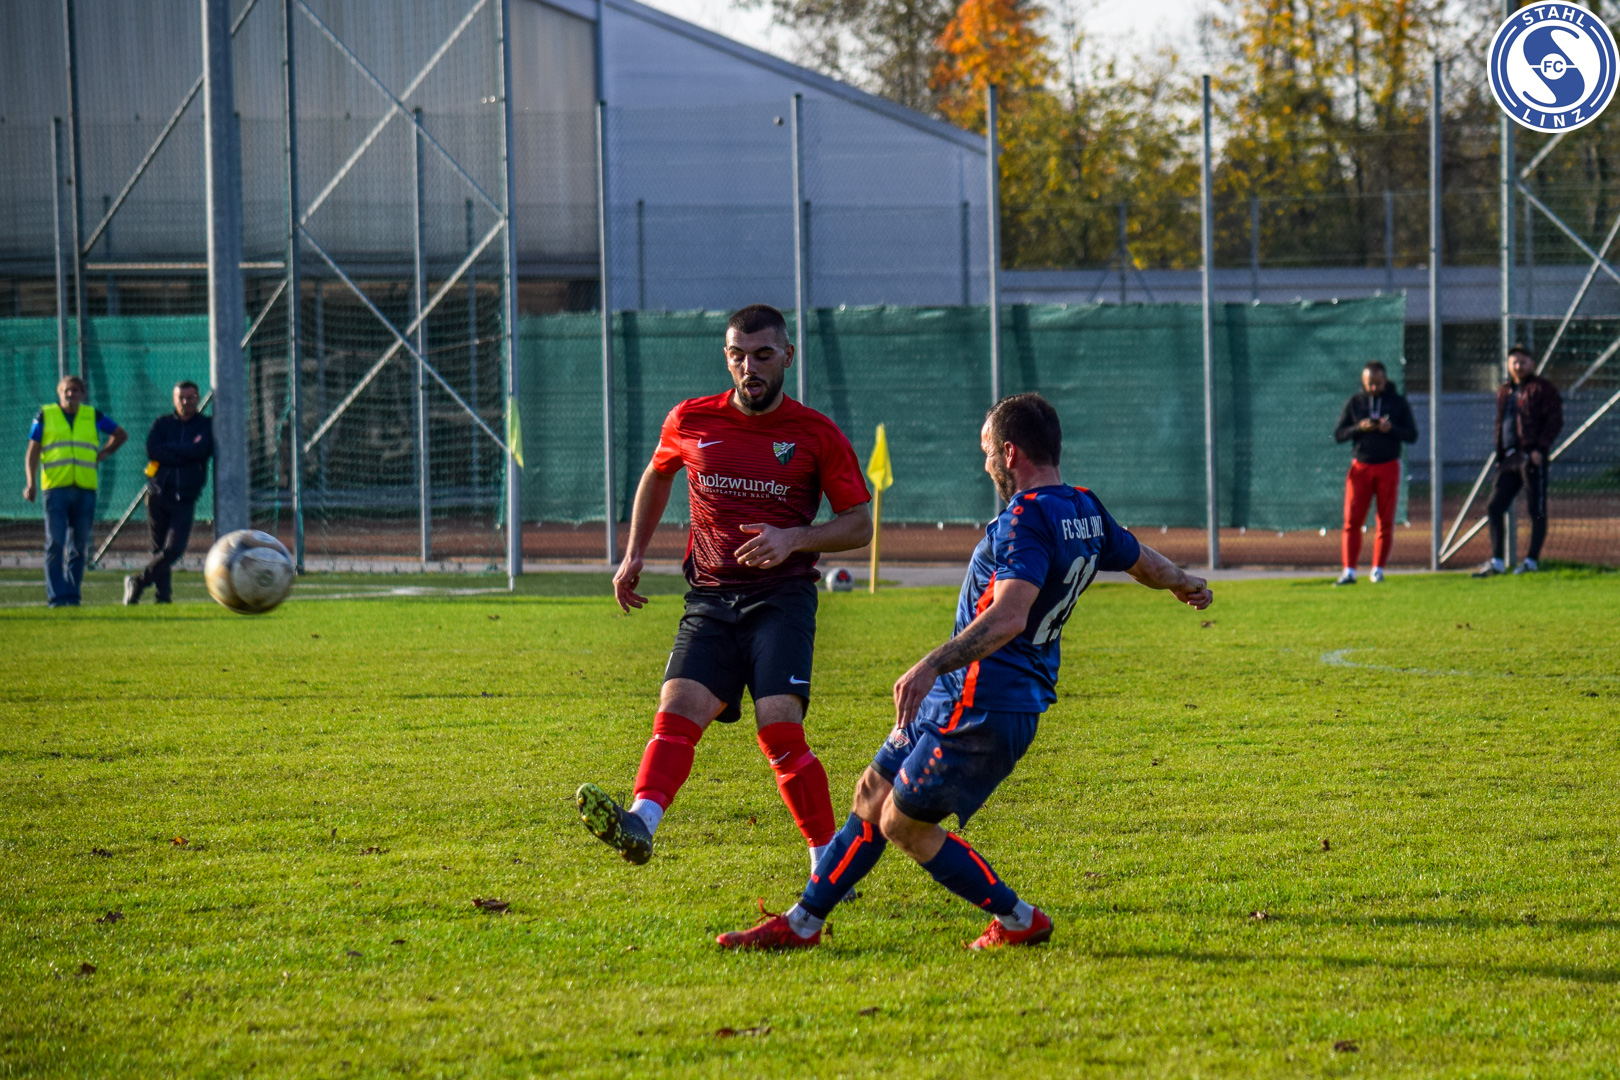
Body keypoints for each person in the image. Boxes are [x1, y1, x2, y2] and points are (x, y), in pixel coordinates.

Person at [715, 393, 1213, 952]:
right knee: (872, 792)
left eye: (986, 452)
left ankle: (1019, 919)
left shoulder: (1025, 518)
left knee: (902, 825)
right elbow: (1142, 560)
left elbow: (1010, 615)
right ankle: (803, 923)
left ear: (1010, 453)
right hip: (960, 695)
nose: (985, 464)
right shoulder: (1084, 508)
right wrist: (1183, 582)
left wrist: (931, 663)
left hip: (985, 703)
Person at [575, 304, 873, 872]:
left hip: (781, 599)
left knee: (779, 727)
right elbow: (658, 472)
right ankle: (641, 822)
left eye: (762, 355)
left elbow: (860, 524)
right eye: (738, 355)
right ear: (727, 358)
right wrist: (634, 552)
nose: (749, 367)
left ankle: (827, 864)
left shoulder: (815, 434)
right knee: (677, 709)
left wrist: (793, 538)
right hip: (710, 598)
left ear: (788, 356)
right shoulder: (691, 419)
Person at [22, 375, 128, 607]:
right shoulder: (45, 415)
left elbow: (120, 434)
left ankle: (72, 595)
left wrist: (103, 454)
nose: (71, 394)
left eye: (75, 390)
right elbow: (33, 450)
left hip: (85, 489)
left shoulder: (92, 415)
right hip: (55, 489)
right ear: (59, 393)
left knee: (79, 545)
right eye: (66, 390)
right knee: (55, 543)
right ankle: (57, 597)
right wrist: (31, 483)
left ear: (82, 393)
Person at [1475, 345, 1563, 577]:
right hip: (1508, 458)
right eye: (1514, 362)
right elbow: (1501, 423)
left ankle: (1531, 561)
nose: (1518, 366)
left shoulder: (1542, 388)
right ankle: (1497, 562)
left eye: (1523, 362)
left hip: (1530, 456)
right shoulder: (1505, 390)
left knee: (1536, 509)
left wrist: (1540, 449)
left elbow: (1555, 420)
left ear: (1532, 363)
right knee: (1494, 507)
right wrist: (1500, 453)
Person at [124, 381, 214, 605]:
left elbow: (201, 450)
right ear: (174, 400)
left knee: (174, 549)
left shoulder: (205, 425)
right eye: (181, 398)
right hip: (158, 494)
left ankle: (138, 582)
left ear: (197, 398)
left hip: (185, 497)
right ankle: (163, 597)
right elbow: (153, 450)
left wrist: (171, 449)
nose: (185, 402)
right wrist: (184, 453)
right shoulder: (162, 424)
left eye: (190, 397)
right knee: (158, 549)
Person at [1332, 361, 1417, 585]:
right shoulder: (1355, 402)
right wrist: (1359, 427)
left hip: (1388, 466)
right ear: (1363, 381)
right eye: (1369, 383)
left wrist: (1391, 429)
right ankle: (1349, 570)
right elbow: (1339, 434)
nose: (1373, 387)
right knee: (1352, 520)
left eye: (1378, 383)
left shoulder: (1397, 402)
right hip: (1361, 467)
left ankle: (1377, 569)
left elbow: (1412, 435)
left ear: (1385, 380)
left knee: (1385, 521)